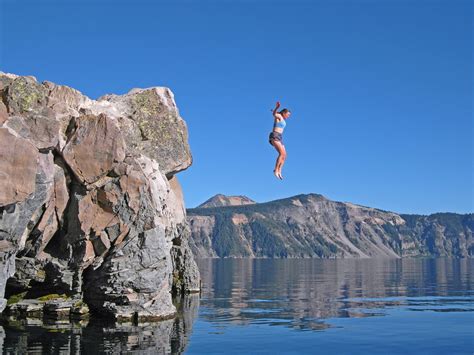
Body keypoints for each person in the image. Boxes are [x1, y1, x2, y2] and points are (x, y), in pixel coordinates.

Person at [269, 101, 291, 179]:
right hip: (274, 135)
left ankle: (279, 170)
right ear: (284, 113)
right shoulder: (279, 116)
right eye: (288, 115)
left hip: (279, 137)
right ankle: (275, 170)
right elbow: (274, 114)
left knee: (285, 155)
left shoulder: (283, 119)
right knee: (281, 153)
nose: (288, 116)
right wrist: (277, 108)